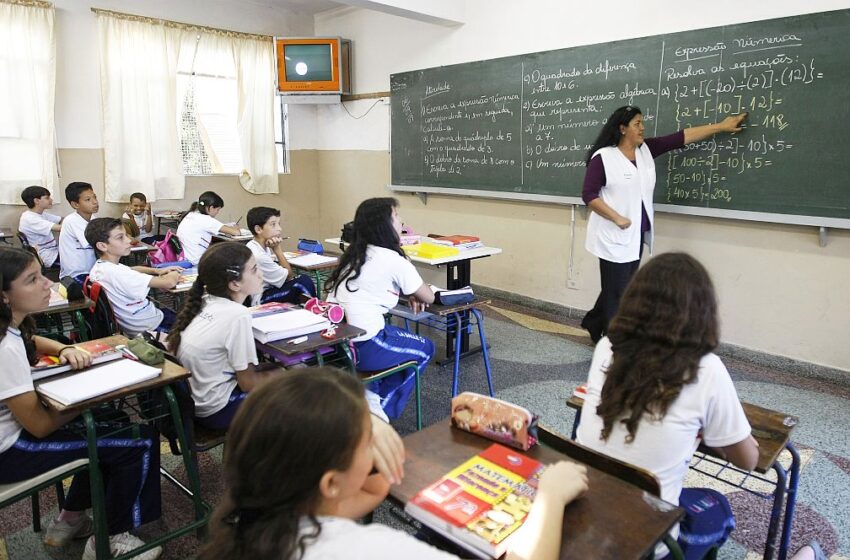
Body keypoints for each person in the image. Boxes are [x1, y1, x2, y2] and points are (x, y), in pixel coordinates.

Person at [198, 366, 589, 560]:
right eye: (367, 441)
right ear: (330, 483)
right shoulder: (372, 549)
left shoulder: (250, 527)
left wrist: (366, 433)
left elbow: (369, 489)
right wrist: (549, 498)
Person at [576, 252, 759, 556]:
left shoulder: (608, 347)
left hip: (585, 514)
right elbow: (748, 460)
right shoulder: (706, 368)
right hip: (649, 541)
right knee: (718, 507)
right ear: (702, 310)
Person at [0, 247, 162, 560]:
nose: (48, 283)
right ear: (5, 296)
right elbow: (40, 425)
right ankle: (111, 538)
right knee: (138, 441)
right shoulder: (4, 347)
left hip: (17, 433)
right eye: (32, 280)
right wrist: (87, 398)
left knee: (111, 422)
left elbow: (31, 342)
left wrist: (62, 349)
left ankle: (70, 518)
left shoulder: (11, 327)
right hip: (11, 450)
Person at [580, 106, 748, 342]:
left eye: (642, 122)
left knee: (621, 285)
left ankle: (594, 321)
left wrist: (720, 126)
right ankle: (614, 341)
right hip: (612, 234)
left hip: (635, 233)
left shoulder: (646, 150)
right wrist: (616, 217)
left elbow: (682, 137)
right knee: (618, 290)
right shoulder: (604, 158)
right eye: (637, 123)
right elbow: (589, 195)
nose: (643, 127)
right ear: (622, 128)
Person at [326, 197, 435, 420]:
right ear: (383, 225)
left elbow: (379, 285)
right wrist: (414, 291)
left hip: (336, 344)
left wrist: (409, 291)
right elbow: (429, 296)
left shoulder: (355, 255)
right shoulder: (392, 259)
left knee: (394, 335)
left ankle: (370, 394)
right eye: (396, 217)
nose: (401, 222)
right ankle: (378, 416)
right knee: (426, 348)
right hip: (365, 345)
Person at [166, 242, 282, 430]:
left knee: (273, 371)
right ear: (235, 283)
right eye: (254, 270)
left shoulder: (204, 301)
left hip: (196, 401)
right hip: (217, 410)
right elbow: (248, 383)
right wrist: (286, 374)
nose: (261, 274)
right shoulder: (237, 315)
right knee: (294, 389)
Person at [84, 218, 181, 337]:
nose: (128, 240)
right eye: (120, 237)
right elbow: (169, 283)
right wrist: (174, 271)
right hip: (153, 327)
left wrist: (157, 270)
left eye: (126, 235)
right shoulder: (118, 274)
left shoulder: (100, 267)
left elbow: (131, 269)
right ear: (102, 246)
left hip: (136, 324)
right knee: (192, 319)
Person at [245, 206, 317, 305]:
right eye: (273, 225)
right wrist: (277, 249)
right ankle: (315, 310)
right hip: (259, 299)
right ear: (258, 229)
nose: (279, 229)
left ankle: (310, 309)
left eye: (279, 224)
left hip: (266, 290)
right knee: (302, 283)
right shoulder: (259, 256)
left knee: (301, 281)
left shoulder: (254, 245)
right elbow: (289, 277)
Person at [176, 191, 243, 265]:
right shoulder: (206, 219)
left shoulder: (191, 214)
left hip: (184, 258)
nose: (218, 212)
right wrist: (236, 227)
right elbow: (237, 233)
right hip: (196, 262)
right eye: (218, 209)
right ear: (211, 208)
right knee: (229, 256)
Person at [58, 181, 99, 283]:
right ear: (75, 204)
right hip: (76, 275)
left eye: (95, 197)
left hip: (90, 271)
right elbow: (97, 241)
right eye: (88, 199)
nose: (95, 202)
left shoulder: (93, 218)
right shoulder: (72, 220)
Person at [18, 185, 63, 269]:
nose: (51, 200)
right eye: (47, 198)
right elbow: (61, 228)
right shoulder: (30, 219)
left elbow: (61, 219)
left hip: (52, 250)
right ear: (36, 200)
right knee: (81, 257)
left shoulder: (39, 214)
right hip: (46, 256)